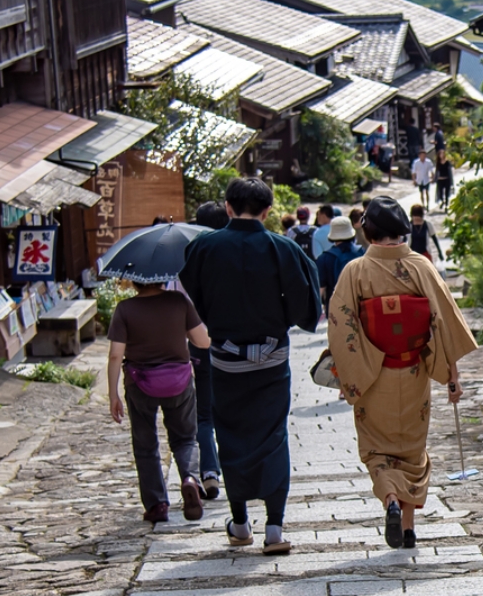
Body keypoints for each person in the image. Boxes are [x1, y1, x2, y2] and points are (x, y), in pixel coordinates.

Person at [180, 177, 323, 554]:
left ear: (227, 207)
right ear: (267, 210)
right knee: (273, 435)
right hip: (271, 361)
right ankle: (274, 527)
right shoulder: (283, 248)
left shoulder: (203, 248)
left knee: (231, 435)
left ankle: (240, 522)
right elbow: (306, 309)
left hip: (225, 359)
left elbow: (190, 303)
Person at [325, 195, 477, 549]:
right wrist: (452, 376)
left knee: (377, 451)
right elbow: (443, 323)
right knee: (412, 451)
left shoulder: (355, 272)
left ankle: (390, 500)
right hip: (413, 373)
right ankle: (408, 528)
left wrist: (351, 373)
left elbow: (340, 325)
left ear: (369, 232)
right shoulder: (421, 266)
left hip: (373, 375)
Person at [106, 278, 213, 525]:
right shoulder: (179, 301)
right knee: (185, 438)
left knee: (146, 445)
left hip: (140, 383)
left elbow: (115, 355)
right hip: (178, 381)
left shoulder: (125, 309)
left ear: (134, 281)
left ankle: (157, 505)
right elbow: (203, 341)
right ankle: (189, 479)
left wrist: (113, 394)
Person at [189, 202, 229, 501]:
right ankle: (240, 470)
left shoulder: (189, 255)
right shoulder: (233, 252)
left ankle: (210, 473)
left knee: (204, 416)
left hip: (199, 344)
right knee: (233, 411)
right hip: (235, 343)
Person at [316, 215, 362, 307]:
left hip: (336, 309)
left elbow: (320, 290)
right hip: (361, 307)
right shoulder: (362, 252)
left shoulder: (324, 258)